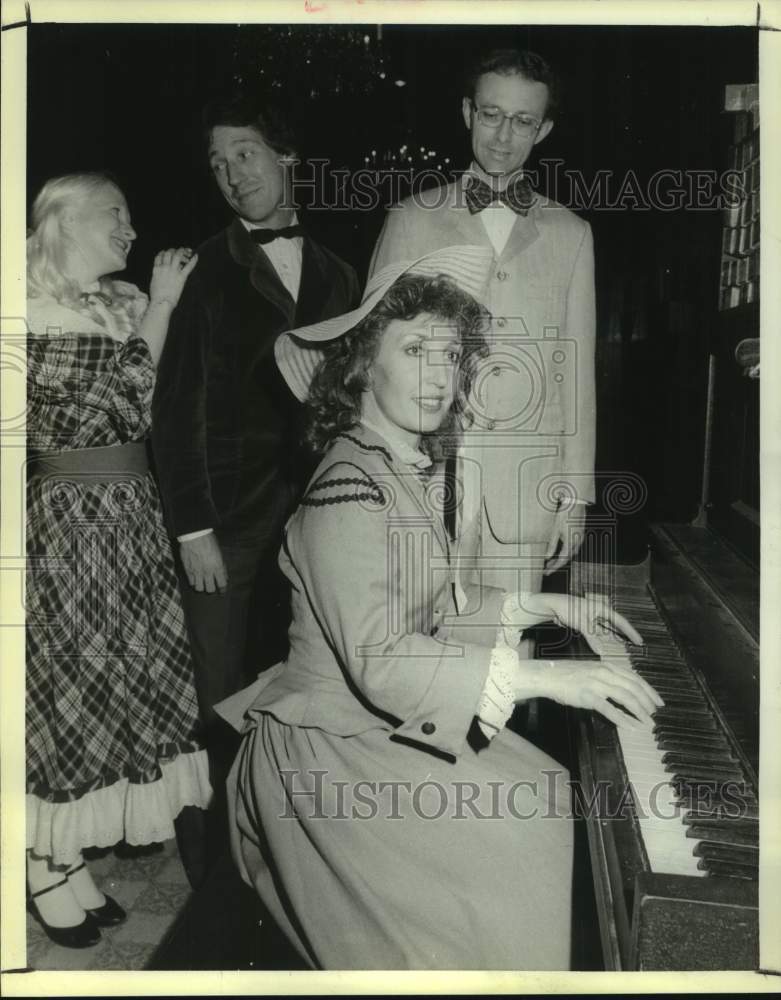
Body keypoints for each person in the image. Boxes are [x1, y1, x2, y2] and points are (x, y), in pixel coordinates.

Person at [215, 246, 661, 970]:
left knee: (547, 790)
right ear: (361, 363)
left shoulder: (395, 466)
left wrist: (545, 606)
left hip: (367, 726)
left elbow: (431, 607)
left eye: (449, 354)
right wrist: (549, 680)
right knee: (532, 823)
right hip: (326, 752)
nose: (435, 373)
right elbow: (381, 658)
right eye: (414, 347)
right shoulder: (347, 491)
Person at [151, 95, 359, 848]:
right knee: (220, 700)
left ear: (286, 158)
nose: (231, 173)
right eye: (216, 162)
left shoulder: (339, 271)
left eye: (243, 153)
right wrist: (193, 529)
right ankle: (216, 876)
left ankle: (291, 852)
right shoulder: (203, 268)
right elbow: (174, 411)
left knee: (304, 693)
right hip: (227, 531)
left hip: (320, 527)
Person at [25, 172, 211, 948]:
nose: (130, 228)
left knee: (117, 688)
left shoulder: (117, 306)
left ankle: (66, 857)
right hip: (72, 523)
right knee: (72, 687)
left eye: (132, 214)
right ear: (60, 222)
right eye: (114, 214)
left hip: (130, 518)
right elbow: (125, 397)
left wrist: (156, 307)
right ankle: (39, 863)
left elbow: (167, 404)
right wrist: (163, 305)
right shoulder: (27, 310)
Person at [370, 48, 596, 602]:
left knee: (507, 663)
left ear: (543, 129)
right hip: (422, 482)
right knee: (420, 654)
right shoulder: (410, 218)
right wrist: (374, 479)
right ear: (469, 112)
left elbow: (578, 377)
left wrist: (576, 497)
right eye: (492, 115)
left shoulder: (572, 235)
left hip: (525, 494)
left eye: (522, 121)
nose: (503, 136)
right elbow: (370, 358)